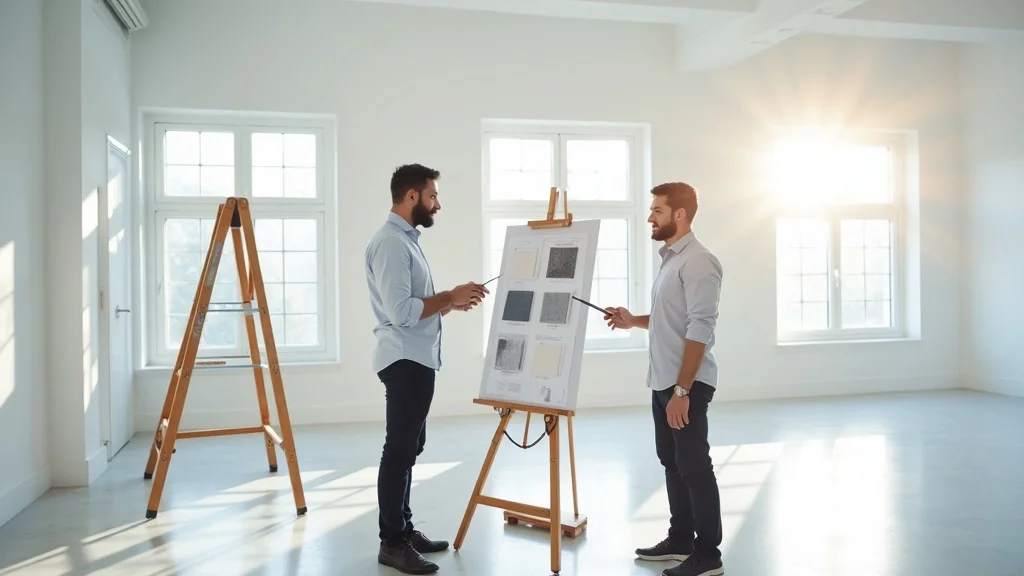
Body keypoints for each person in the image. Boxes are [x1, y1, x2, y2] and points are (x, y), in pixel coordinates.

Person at [365, 163, 489, 575]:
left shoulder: (407, 241)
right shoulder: (391, 244)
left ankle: (404, 528)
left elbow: (416, 306)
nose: (438, 203)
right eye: (433, 195)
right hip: (404, 361)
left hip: (416, 359)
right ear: (413, 196)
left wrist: (451, 302)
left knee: (409, 449)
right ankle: (392, 543)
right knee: (398, 451)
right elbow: (401, 313)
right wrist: (447, 297)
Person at [604, 182, 725, 576]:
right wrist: (632, 321)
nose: (650, 217)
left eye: (657, 210)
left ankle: (708, 556)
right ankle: (680, 540)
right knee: (671, 462)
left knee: (693, 466)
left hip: (684, 385)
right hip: (663, 382)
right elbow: (670, 320)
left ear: (679, 215)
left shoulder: (700, 261)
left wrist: (682, 390)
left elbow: (699, 328)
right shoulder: (670, 260)